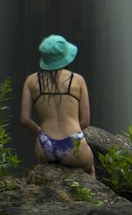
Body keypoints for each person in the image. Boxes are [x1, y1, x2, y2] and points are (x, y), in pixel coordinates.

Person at [20, 34, 96, 177]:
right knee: (90, 168)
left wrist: (39, 132)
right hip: (74, 144)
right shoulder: (77, 80)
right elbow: (85, 122)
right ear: (65, 57)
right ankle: (92, 198)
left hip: (45, 145)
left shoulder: (31, 81)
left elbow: (24, 119)